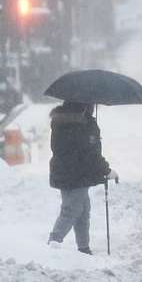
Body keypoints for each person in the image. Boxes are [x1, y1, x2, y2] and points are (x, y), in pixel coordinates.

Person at [48, 102, 115, 255]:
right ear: (86, 104)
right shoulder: (82, 124)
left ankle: (83, 248)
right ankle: (53, 242)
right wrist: (106, 170)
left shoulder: (62, 121)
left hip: (66, 170)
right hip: (77, 173)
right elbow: (91, 153)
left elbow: (79, 151)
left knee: (82, 209)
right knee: (72, 209)